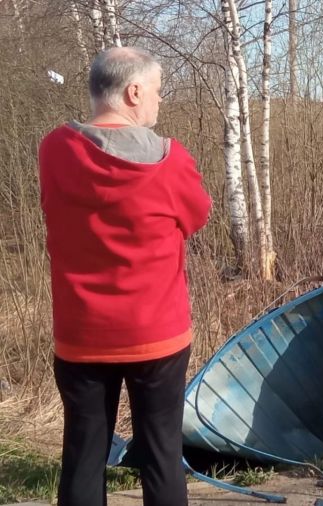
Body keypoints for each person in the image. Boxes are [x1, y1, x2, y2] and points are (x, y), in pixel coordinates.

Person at [38, 47, 211, 506]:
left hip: (81, 336)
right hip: (157, 334)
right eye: (156, 91)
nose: (158, 102)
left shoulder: (55, 149)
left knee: (83, 455)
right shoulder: (171, 161)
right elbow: (198, 216)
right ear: (133, 91)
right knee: (161, 454)